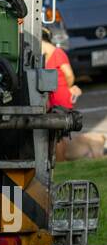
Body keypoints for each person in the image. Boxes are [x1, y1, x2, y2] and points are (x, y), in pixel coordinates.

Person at [42, 26, 105, 160]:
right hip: (51, 100)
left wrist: (68, 88)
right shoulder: (42, 56)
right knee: (54, 134)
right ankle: (60, 158)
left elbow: (69, 75)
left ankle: (59, 160)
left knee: (55, 134)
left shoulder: (57, 53)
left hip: (60, 100)